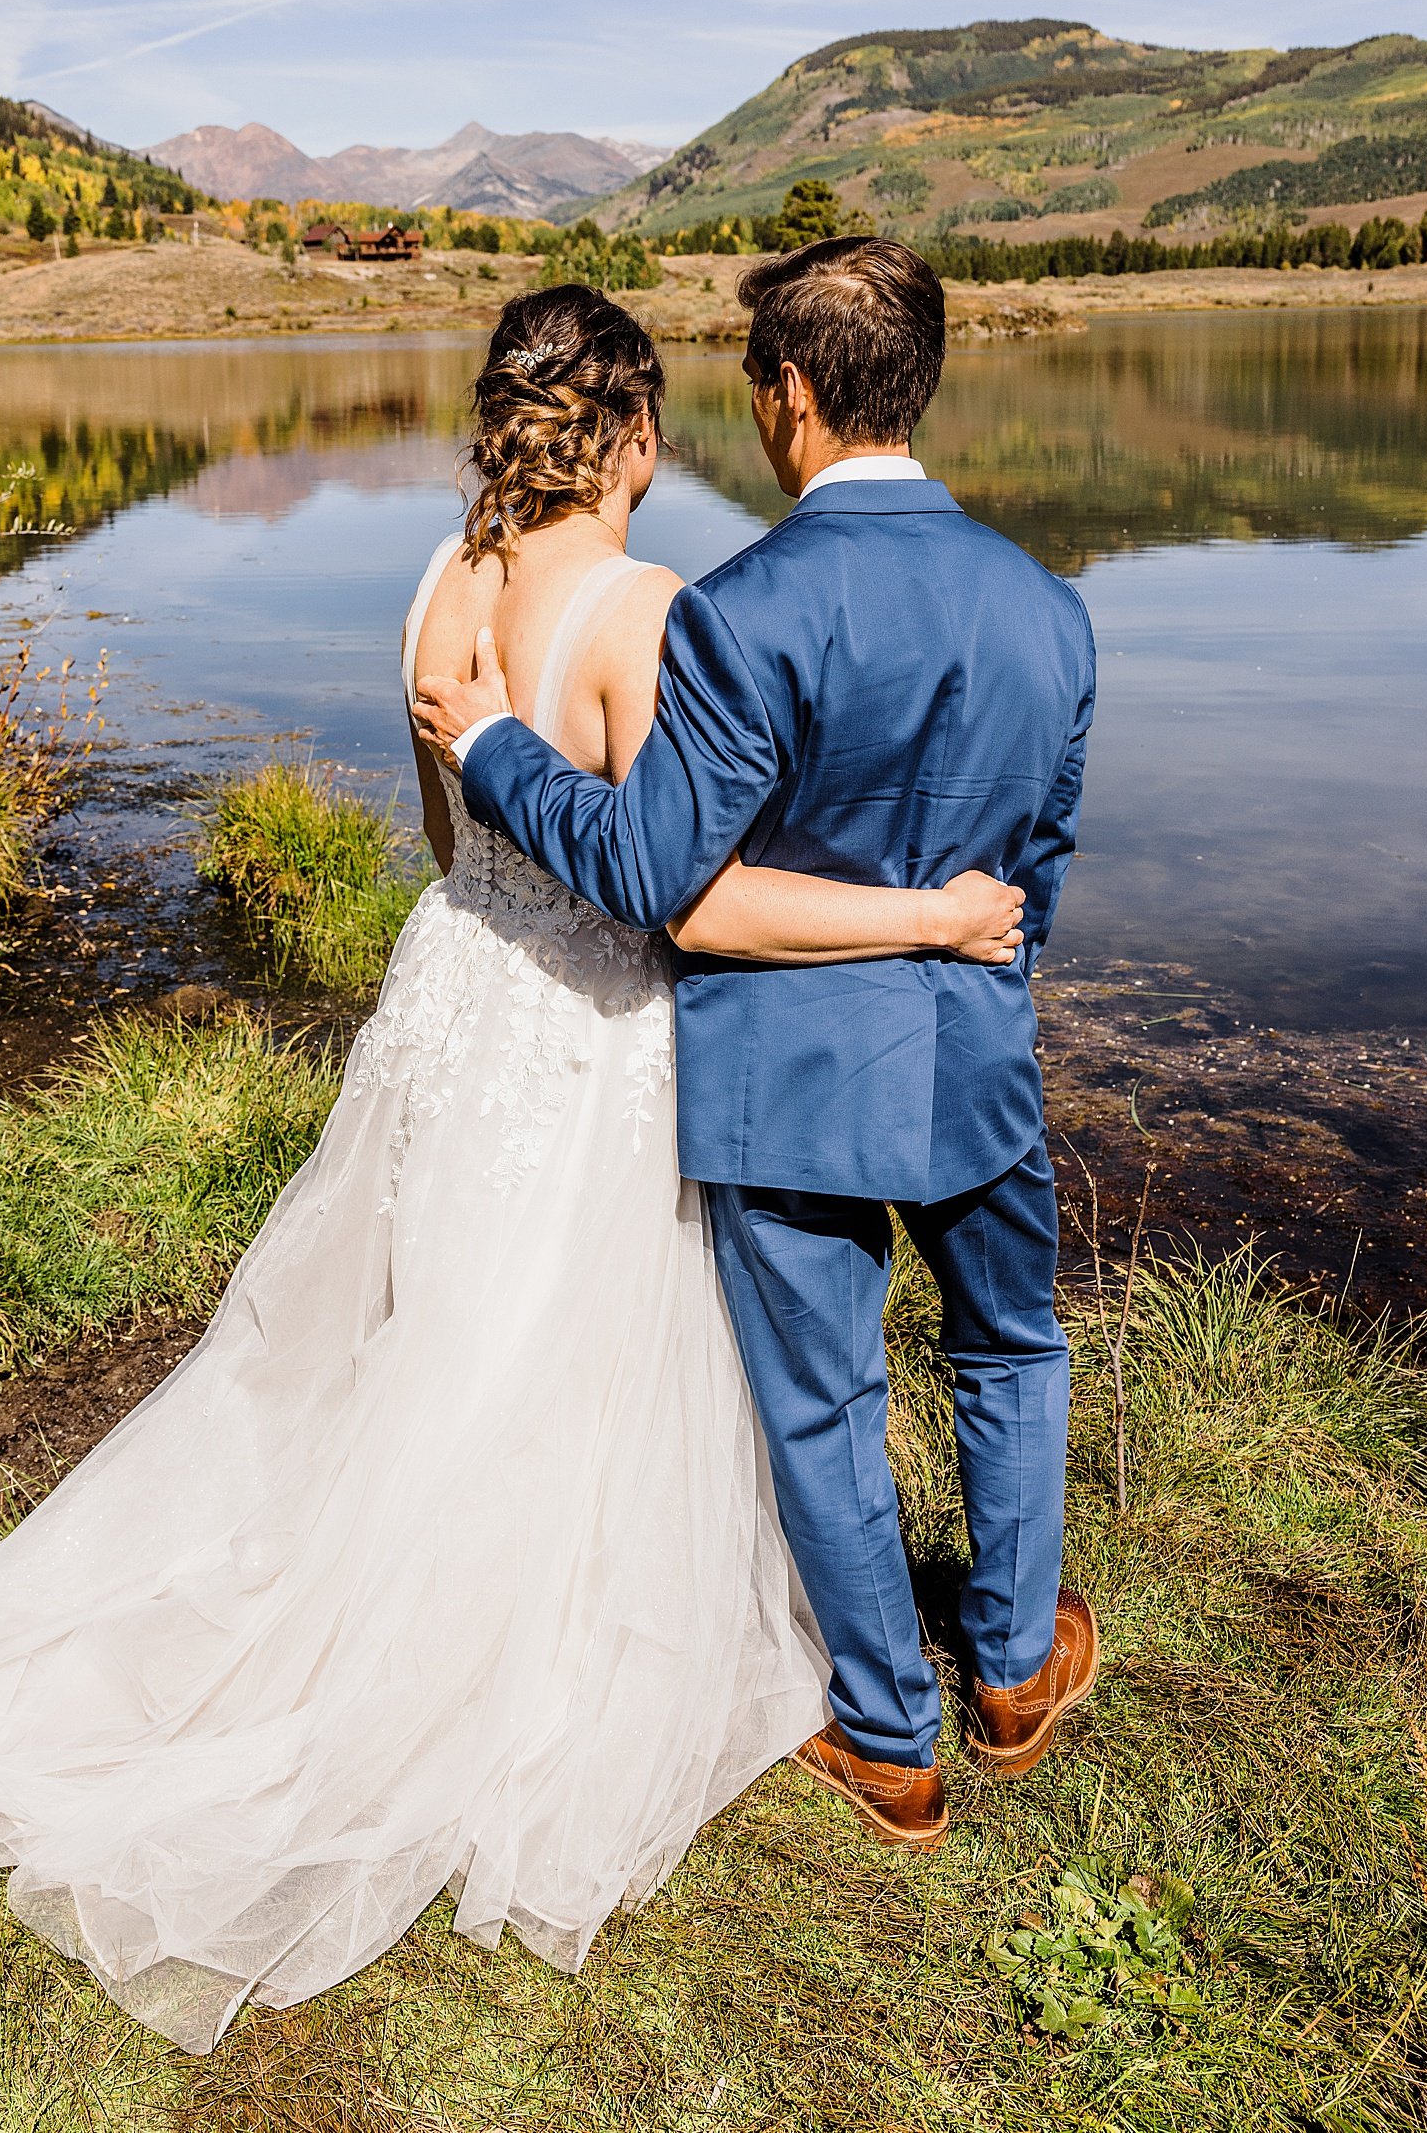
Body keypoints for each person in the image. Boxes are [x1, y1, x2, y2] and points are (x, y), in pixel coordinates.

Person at [0, 283, 1022, 2051]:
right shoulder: (650, 613)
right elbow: (678, 894)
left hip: (455, 1006)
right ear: (640, 436)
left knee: (436, 1333)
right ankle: (490, 1664)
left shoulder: (436, 589)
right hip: (590, 1039)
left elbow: (459, 844)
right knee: (554, 1356)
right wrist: (929, 915)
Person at [415, 236, 1100, 1859]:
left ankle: (888, 1739)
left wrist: (498, 748)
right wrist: (965, 962)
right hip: (982, 1059)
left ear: (786, 395)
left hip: (793, 1079)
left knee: (823, 1403)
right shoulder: (1051, 607)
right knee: (1010, 1345)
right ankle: (1011, 1669)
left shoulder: (737, 615)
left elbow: (656, 875)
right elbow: (1042, 869)